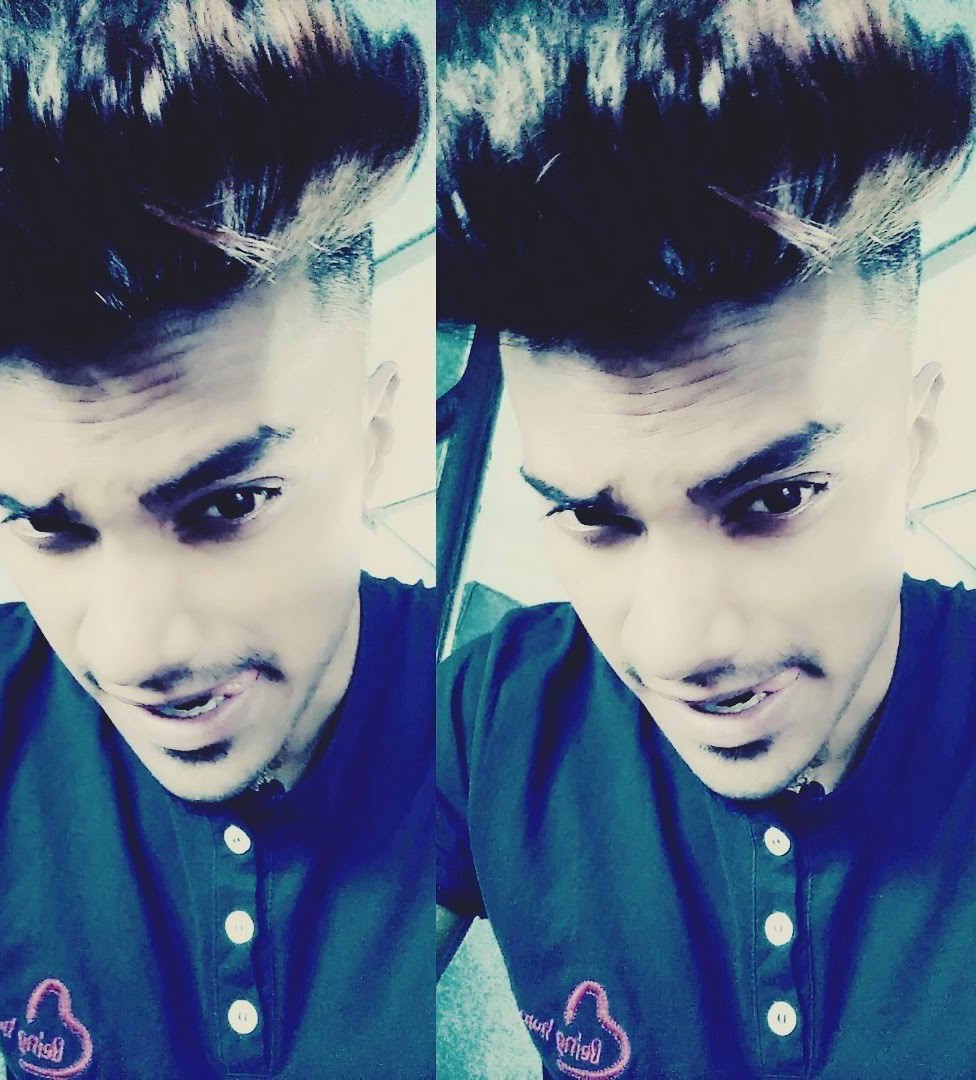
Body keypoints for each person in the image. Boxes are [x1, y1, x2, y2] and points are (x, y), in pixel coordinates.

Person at [436, 1, 976, 1077]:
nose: (679, 648)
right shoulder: (484, 713)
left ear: (915, 444)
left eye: (776, 498)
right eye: (595, 518)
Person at [0, 1, 434, 1077]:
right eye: (48, 526)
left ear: (374, 443)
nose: (136, 654)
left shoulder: (476, 717)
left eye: (227, 507)